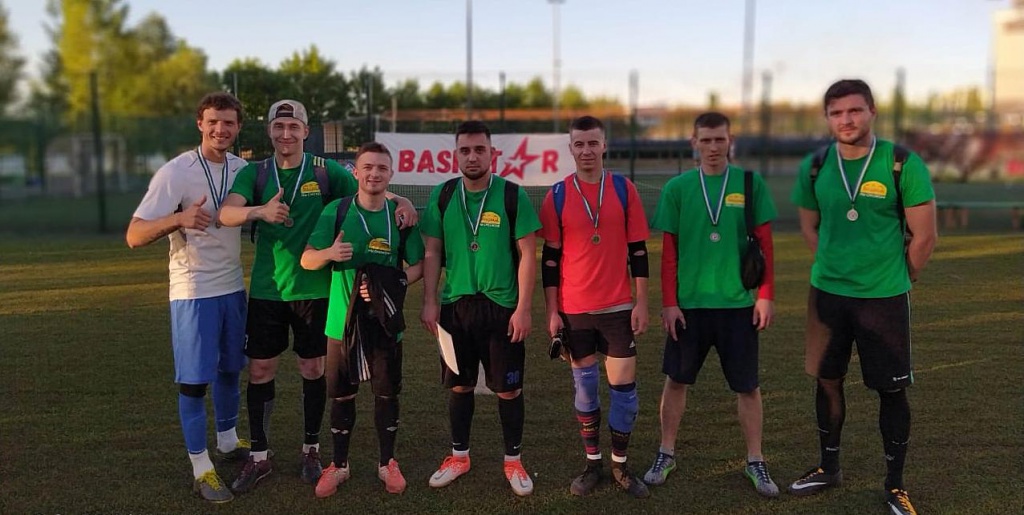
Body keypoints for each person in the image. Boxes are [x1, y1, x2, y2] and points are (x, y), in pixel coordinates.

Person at [217, 99, 418, 493]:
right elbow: (226, 214)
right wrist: (259, 212)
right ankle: (259, 455)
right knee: (260, 371)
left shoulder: (325, 172)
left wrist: (404, 200)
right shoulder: (256, 173)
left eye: (294, 127)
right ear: (270, 131)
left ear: (306, 132)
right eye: (279, 127)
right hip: (268, 289)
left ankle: (311, 449)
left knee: (312, 370)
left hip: (317, 291)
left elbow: (368, 186)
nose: (286, 134)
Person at [789, 79, 937, 515]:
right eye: (836, 113)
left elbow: (925, 236)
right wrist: (833, 265)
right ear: (827, 118)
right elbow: (809, 226)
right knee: (827, 381)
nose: (846, 120)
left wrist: (902, 275)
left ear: (872, 111)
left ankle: (895, 485)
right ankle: (828, 467)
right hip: (828, 296)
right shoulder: (815, 165)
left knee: (890, 390)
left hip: (883, 297)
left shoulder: (901, 162)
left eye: (854, 110)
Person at [643, 112, 780, 497]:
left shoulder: (750, 184)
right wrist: (669, 303)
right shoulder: (678, 188)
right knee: (676, 380)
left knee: (747, 386)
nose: (714, 147)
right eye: (706, 140)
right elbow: (669, 253)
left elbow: (765, 246)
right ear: (694, 143)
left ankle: (755, 459)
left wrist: (765, 295)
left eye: (720, 139)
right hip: (690, 307)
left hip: (738, 306)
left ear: (730, 140)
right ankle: (666, 453)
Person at [125, 92, 249, 503]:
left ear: (238, 127)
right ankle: (201, 468)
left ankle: (227, 440)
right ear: (200, 124)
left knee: (231, 369)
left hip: (233, 287)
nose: (220, 129)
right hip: (194, 292)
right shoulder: (175, 172)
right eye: (213, 121)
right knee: (195, 382)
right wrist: (179, 217)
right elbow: (134, 235)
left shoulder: (242, 170)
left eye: (228, 122)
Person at [419, 120, 541, 497]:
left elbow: (528, 254)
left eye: (479, 150)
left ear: (492, 154)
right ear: (455, 155)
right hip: (455, 308)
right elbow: (432, 252)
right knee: (460, 385)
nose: (472, 157)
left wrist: (523, 308)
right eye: (465, 150)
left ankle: (513, 460)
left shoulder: (512, 195)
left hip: (502, 306)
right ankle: (459, 457)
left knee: (508, 390)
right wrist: (430, 301)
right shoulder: (443, 195)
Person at [300, 142, 424, 497]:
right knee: (341, 395)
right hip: (341, 324)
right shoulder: (336, 211)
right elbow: (307, 260)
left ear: (391, 174)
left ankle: (387, 463)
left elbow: (418, 265)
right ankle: (339, 465)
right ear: (356, 172)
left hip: (384, 323)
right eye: (367, 167)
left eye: (381, 168)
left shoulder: (400, 217)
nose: (374, 174)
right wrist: (329, 253)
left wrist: (391, 284)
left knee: (386, 393)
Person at [539, 115, 651, 498]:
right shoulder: (557, 195)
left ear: (604, 145)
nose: (586, 150)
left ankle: (620, 466)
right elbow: (550, 259)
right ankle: (592, 464)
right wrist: (552, 311)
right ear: (570, 149)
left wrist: (642, 302)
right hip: (575, 310)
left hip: (618, 308)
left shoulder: (623, 189)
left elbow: (639, 251)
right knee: (585, 391)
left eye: (592, 143)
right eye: (579, 144)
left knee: (625, 394)